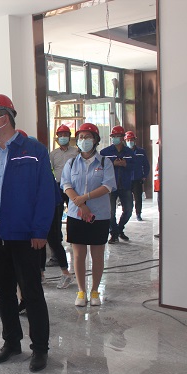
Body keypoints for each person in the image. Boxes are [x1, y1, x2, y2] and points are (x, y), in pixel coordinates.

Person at [0, 94, 54, 372]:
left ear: (5, 117)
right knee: (3, 292)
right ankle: (11, 342)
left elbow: (46, 194)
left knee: (31, 292)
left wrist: (40, 230)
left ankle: (40, 348)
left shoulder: (33, 150)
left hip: (25, 233)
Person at [60, 123, 116, 307]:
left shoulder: (105, 162)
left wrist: (85, 198)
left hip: (99, 215)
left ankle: (95, 291)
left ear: (96, 140)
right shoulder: (71, 163)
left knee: (97, 255)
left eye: (88, 137)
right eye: (81, 137)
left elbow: (107, 186)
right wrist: (82, 205)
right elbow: (66, 185)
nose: (84, 140)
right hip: (76, 215)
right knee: (78, 255)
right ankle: (81, 291)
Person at [48, 124, 78, 289]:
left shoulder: (75, 152)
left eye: (65, 134)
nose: (63, 137)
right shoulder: (53, 154)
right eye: (60, 135)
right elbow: (50, 170)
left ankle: (73, 240)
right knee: (57, 221)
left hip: (73, 187)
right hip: (58, 187)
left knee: (74, 213)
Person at [100, 126, 135, 243]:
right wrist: (112, 164)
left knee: (128, 210)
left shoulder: (129, 152)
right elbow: (100, 168)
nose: (115, 138)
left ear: (122, 137)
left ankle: (120, 229)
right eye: (113, 136)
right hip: (110, 186)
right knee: (110, 212)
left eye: (117, 136)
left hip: (125, 185)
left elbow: (134, 167)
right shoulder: (105, 153)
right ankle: (114, 233)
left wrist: (126, 165)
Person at [125, 131, 150, 221]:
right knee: (127, 198)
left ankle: (138, 213)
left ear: (134, 140)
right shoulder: (124, 152)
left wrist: (144, 176)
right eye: (128, 140)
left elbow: (146, 165)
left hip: (137, 178)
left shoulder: (141, 152)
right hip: (126, 179)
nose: (130, 141)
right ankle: (127, 213)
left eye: (131, 139)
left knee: (138, 198)